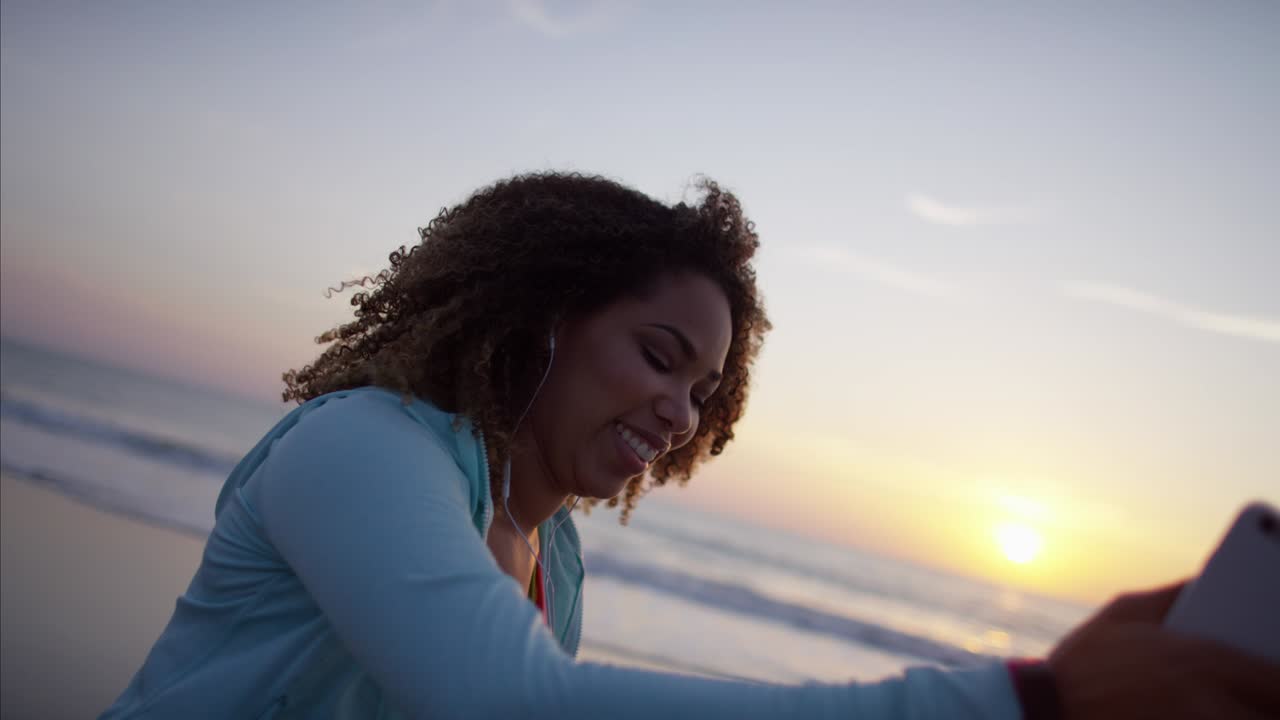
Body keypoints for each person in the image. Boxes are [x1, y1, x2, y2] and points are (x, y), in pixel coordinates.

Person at [102, 173, 1280, 719]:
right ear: (539, 319)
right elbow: (499, 702)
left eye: (704, 393)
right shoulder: (361, 447)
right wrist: (1015, 702)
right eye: (659, 357)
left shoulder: (547, 557)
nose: (680, 416)